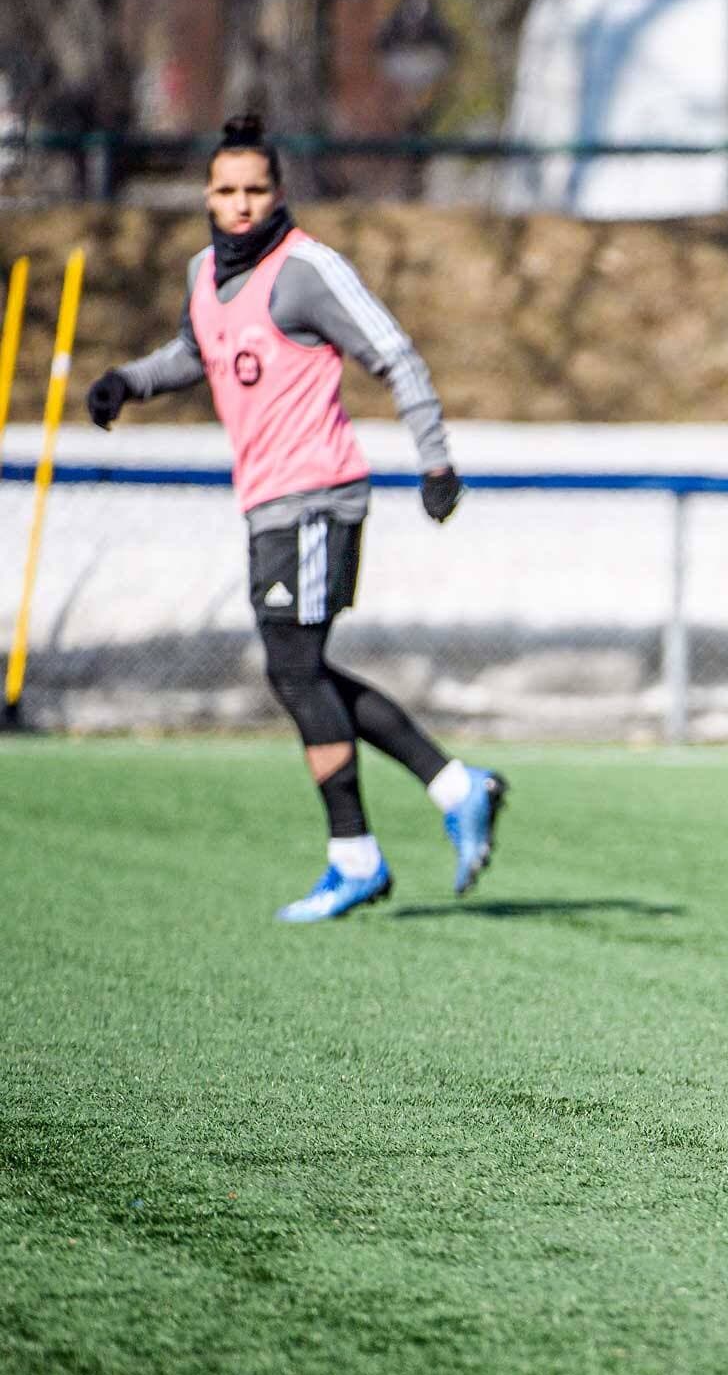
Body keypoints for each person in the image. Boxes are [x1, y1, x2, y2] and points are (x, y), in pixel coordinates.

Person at [86, 114, 506, 924]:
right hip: (268, 501)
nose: (241, 204)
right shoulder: (204, 271)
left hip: (320, 495)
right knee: (301, 669)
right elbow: (194, 351)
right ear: (206, 194)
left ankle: (356, 854)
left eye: (256, 190)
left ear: (278, 193)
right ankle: (457, 788)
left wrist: (436, 460)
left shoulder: (308, 269)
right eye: (226, 190)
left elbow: (396, 352)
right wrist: (128, 382)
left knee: (292, 666)